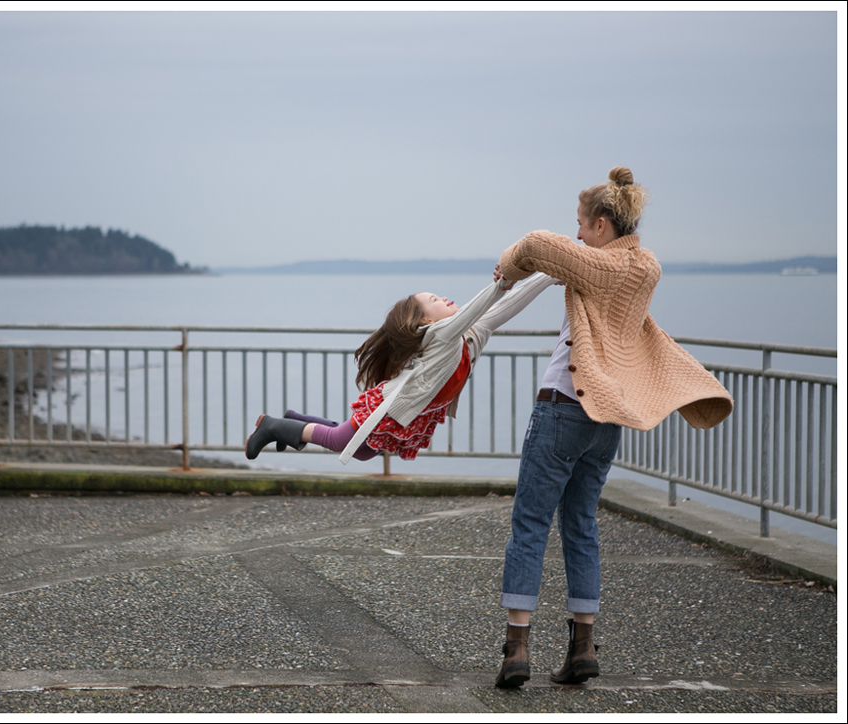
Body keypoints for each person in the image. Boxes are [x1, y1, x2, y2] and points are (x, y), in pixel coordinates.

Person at [492, 167, 733, 689]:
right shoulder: (645, 267)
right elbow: (589, 267)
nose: (577, 234)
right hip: (606, 420)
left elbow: (534, 244)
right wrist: (571, 268)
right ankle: (583, 647)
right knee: (581, 526)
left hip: (564, 405)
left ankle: (517, 650)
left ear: (602, 224)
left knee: (530, 525)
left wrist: (505, 269)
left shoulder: (596, 265)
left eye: (581, 224)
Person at [245, 271, 563, 464]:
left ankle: (293, 422)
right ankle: (273, 426)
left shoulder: (469, 337)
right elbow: (478, 306)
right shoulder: (439, 335)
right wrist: (502, 282)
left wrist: (549, 275)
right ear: (426, 320)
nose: (446, 298)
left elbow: (507, 307)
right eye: (436, 299)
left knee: (364, 452)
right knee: (342, 441)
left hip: (404, 409)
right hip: (390, 406)